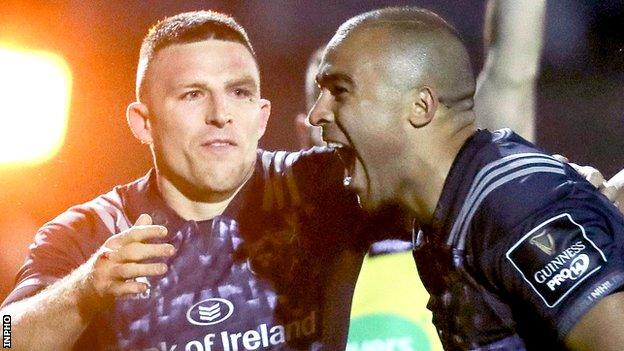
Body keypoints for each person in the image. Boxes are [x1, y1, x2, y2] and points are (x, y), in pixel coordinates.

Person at [0, 11, 370, 350]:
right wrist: (85, 290)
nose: (220, 114)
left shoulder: (323, 190)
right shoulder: (91, 233)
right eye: (193, 94)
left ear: (261, 117)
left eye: (239, 92)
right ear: (143, 123)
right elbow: (5, 334)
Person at [309, 6, 624, 350]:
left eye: (340, 90)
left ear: (420, 106)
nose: (317, 113)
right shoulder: (438, 212)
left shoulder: (514, 205)